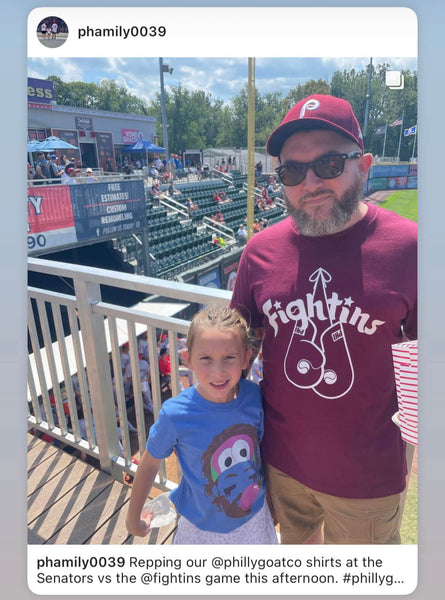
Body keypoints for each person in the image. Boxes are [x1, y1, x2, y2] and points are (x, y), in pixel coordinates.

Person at [230, 94, 417, 545]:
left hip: (368, 479)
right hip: (282, 462)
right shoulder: (259, 251)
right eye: (292, 171)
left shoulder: (412, 247)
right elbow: (237, 344)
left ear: (364, 165)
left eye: (330, 164)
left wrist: (407, 453)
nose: (310, 181)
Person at [125, 305, 278, 544]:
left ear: (247, 357)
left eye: (229, 357)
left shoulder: (254, 396)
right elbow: (149, 463)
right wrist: (132, 520)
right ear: (189, 360)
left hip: (255, 519)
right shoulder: (175, 414)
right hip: (201, 530)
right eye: (206, 358)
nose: (218, 372)